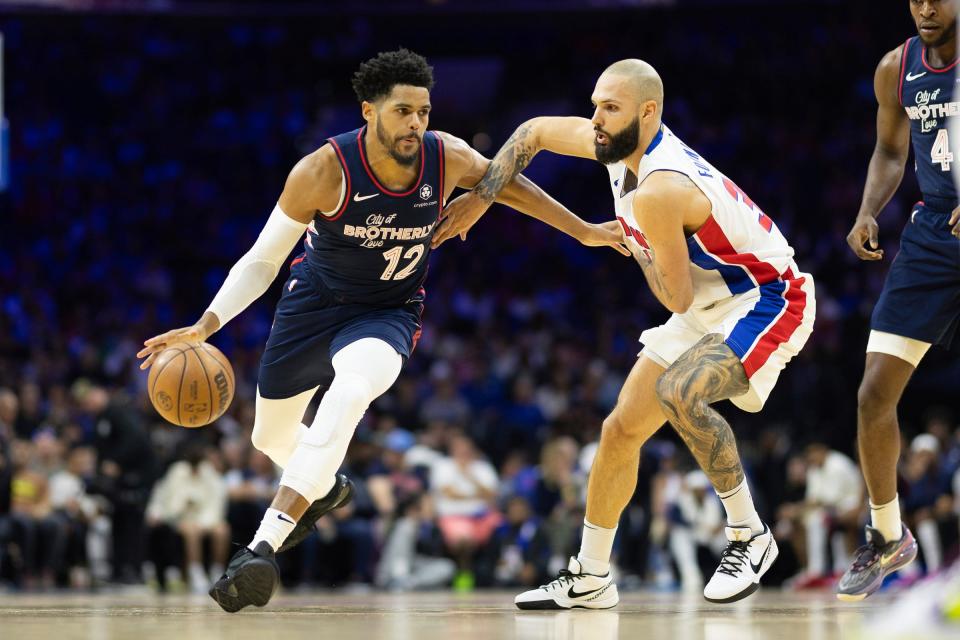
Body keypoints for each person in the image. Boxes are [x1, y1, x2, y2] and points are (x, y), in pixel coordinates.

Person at [136, 49, 624, 612]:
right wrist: (206, 324)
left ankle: (260, 547)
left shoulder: (445, 155)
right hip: (312, 307)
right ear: (369, 112)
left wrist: (580, 229)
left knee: (349, 393)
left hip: (388, 312)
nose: (416, 123)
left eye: (423, 111)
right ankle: (327, 487)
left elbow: (507, 181)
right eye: (402, 112)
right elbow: (263, 260)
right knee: (269, 440)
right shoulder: (322, 170)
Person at [434, 58, 816, 607]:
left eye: (609, 108)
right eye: (595, 105)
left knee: (679, 391)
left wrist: (638, 248)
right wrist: (483, 195)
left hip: (766, 297)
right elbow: (532, 133)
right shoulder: (614, 143)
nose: (595, 119)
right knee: (619, 430)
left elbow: (675, 297)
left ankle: (749, 534)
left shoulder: (662, 187)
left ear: (647, 112)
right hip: (709, 298)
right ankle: (590, 576)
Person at [839, 0, 959, 600]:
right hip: (935, 234)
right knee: (873, 395)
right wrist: (867, 211)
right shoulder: (897, 67)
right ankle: (888, 534)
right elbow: (891, 151)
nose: (926, 8)